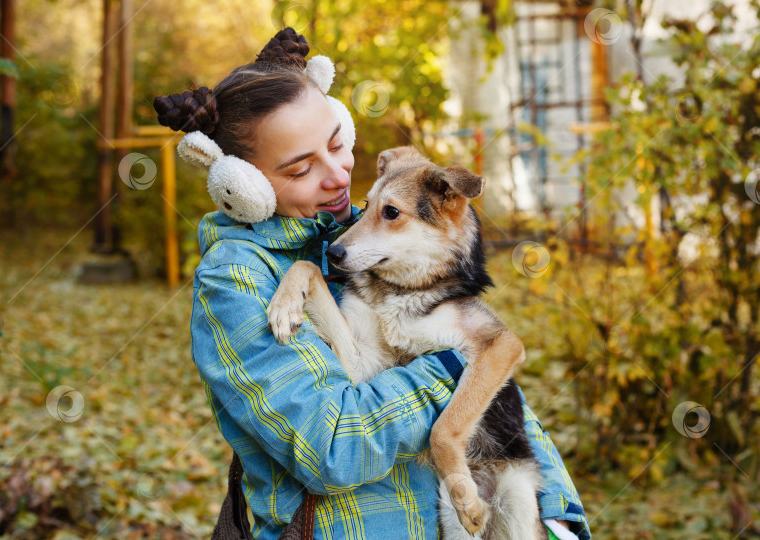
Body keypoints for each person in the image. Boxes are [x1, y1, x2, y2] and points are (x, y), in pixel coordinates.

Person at [154, 27, 591, 540]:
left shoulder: (367, 240)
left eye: (338, 144)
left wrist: (556, 515)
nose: (339, 177)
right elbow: (333, 447)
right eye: (300, 168)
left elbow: (504, 405)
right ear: (244, 186)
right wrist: (455, 364)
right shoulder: (234, 282)